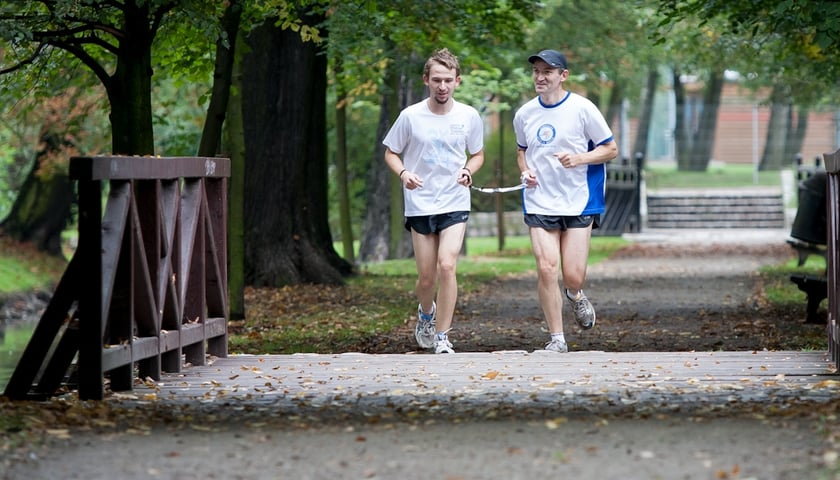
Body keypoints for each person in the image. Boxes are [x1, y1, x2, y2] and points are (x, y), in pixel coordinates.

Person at [513, 49, 618, 353]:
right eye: (536, 72)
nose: (540, 77)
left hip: (579, 200)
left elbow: (610, 149)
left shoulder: (583, 109)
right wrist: (526, 171)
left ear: (563, 76)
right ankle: (557, 338)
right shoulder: (524, 114)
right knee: (547, 268)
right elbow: (522, 151)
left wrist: (579, 158)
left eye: (548, 71)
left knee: (573, 274)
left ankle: (575, 294)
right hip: (539, 200)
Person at [382, 48, 485, 354]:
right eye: (437, 80)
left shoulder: (468, 115)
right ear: (426, 80)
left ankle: (442, 335)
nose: (442, 86)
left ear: (457, 81)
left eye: (448, 80)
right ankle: (426, 312)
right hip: (420, 202)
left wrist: (468, 170)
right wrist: (404, 174)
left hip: (454, 200)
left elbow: (477, 154)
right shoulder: (410, 116)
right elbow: (390, 152)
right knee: (427, 278)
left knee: (447, 265)